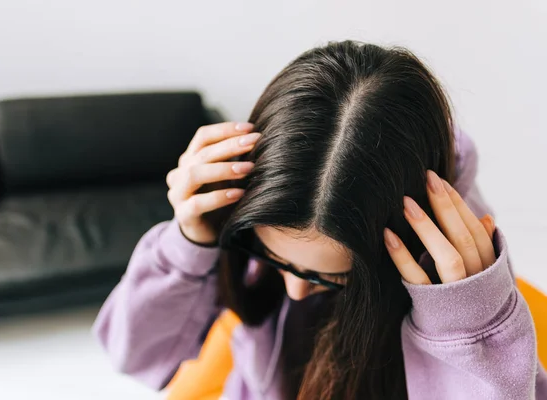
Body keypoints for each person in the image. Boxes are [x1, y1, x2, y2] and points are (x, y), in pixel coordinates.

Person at [92, 40, 547, 399]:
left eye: (331, 278)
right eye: (269, 255)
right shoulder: (257, 211)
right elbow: (135, 355)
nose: (293, 290)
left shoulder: (449, 263)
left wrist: (471, 329)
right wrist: (186, 242)